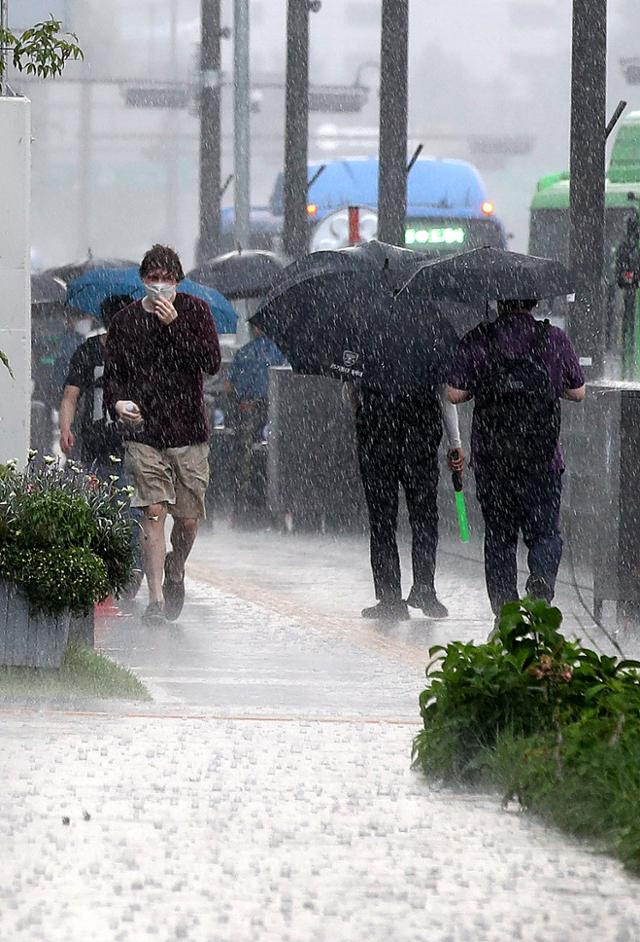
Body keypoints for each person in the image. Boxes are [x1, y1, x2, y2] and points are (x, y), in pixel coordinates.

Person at [447, 299, 586, 625]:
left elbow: (453, 393)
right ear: (533, 302)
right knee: (545, 535)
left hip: (493, 462)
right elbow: (578, 391)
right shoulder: (553, 339)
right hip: (543, 461)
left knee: (499, 537)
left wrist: (484, 385)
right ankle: (540, 588)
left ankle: (505, 615)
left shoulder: (479, 338)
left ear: (498, 300)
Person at [104, 244, 221, 624]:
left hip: (188, 432)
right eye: (152, 279)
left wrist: (176, 326)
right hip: (144, 433)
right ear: (143, 281)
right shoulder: (124, 322)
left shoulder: (196, 313)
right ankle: (154, 599)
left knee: (187, 520)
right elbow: (114, 377)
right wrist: (117, 404)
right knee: (152, 512)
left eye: (166, 280)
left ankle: (176, 566)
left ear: (177, 281)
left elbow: (209, 363)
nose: (159, 287)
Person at [347, 380, 464, 621]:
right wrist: (455, 443)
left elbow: (351, 394)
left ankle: (390, 597)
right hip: (420, 439)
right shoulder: (429, 345)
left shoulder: (365, 345)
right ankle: (424, 588)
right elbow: (444, 395)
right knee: (424, 519)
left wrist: (364, 405)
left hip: (377, 438)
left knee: (382, 522)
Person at [59, 294, 134, 471]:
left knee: (101, 493)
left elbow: (70, 396)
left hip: (125, 442)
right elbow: (71, 395)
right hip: (101, 442)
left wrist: (65, 429)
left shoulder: (139, 351)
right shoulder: (90, 350)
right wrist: (65, 429)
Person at [224, 326, 287, 524]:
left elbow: (228, 386)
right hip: (274, 412)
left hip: (247, 409)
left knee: (244, 460)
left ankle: (242, 509)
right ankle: (272, 509)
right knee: (274, 458)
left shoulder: (244, 352)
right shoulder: (280, 352)